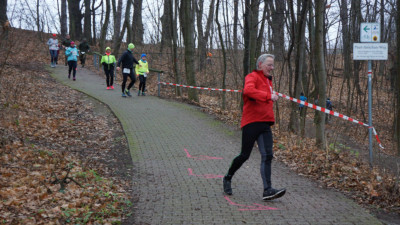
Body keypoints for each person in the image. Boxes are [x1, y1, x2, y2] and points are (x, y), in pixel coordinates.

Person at [222, 54, 286, 201]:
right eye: (269, 64)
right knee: (245, 155)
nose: (272, 68)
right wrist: (268, 96)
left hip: (265, 124)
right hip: (251, 123)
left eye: (273, 65)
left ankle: (268, 190)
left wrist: (270, 95)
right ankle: (227, 177)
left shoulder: (268, 81)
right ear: (260, 65)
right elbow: (248, 91)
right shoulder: (252, 76)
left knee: (267, 155)